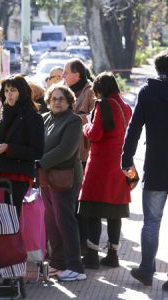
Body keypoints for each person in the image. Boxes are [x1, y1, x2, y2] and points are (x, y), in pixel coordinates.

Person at [121, 49, 168, 289]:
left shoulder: (148, 92)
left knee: (151, 221)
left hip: (157, 165)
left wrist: (126, 158)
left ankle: (147, 270)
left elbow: (134, 128)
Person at [78, 72, 132, 269]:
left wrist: (85, 124)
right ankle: (113, 255)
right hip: (119, 164)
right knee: (114, 213)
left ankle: (92, 256)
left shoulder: (104, 105)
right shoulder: (125, 106)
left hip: (101, 165)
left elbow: (96, 134)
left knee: (93, 210)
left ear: (101, 89)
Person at [38, 84, 86, 281]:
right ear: (48, 102)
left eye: (61, 98)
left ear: (69, 101)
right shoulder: (45, 118)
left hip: (65, 178)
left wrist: (39, 163)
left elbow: (66, 150)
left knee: (65, 221)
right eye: (54, 98)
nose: (57, 101)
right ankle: (58, 262)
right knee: (51, 221)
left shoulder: (73, 121)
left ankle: (76, 267)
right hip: (46, 177)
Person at [0, 74, 45, 216]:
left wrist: (9, 148)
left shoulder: (33, 116)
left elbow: (37, 151)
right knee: (2, 217)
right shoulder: (6, 112)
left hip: (19, 175)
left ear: (22, 92)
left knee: (11, 217)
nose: (9, 95)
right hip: (1, 172)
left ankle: (15, 239)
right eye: (6, 91)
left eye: (13, 91)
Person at [62, 58, 95, 253]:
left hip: (83, 155)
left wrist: (74, 118)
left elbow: (95, 119)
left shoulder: (90, 92)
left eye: (66, 72)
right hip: (67, 154)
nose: (63, 76)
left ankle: (85, 245)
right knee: (69, 203)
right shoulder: (64, 92)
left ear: (78, 75)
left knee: (81, 203)